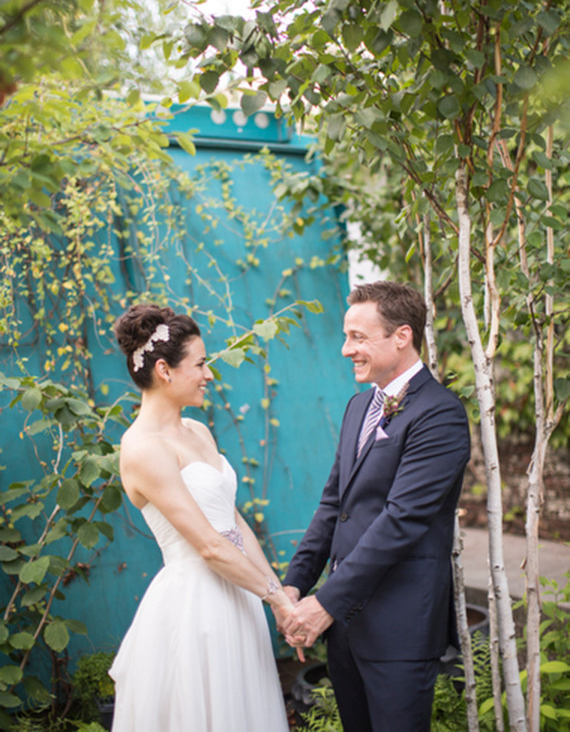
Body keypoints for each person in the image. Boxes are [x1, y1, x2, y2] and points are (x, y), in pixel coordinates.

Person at [282, 281, 471, 732]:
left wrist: (325, 602)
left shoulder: (440, 414)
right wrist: (295, 584)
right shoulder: (358, 407)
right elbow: (335, 505)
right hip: (347, 627)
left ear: (402, 336)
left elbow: (401, 522)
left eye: (358, 337)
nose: (346, 349)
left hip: (398, 629)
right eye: (346, 336)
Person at [109, 303, 292, 732]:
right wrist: (278, 600)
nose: (209, 374)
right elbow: (209, 545)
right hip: (197, 609)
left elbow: (234, 523)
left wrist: (277, 596)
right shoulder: (142, 448)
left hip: (240, 596)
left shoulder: (199, 431)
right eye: (200, 364)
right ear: (164, 370)